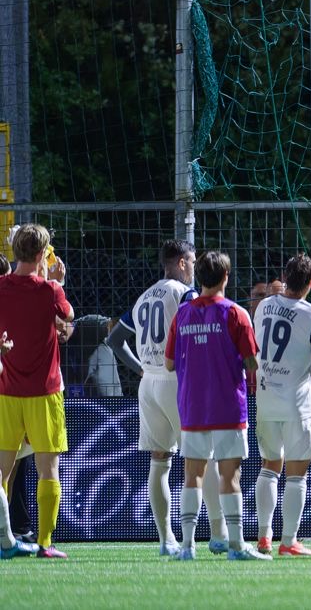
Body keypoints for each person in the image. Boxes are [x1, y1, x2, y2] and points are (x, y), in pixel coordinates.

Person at [164, 249, 267, 561]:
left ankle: (187, 547)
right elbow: (251, 362)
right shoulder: (236, 313)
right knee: (229, 476)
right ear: (226, 277)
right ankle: (235, 545)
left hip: (193, 405)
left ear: (199, 277)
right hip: (227, 406)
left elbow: (169, 364)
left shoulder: (182, 314)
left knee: (192, 475)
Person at [107, 238, 207, 556]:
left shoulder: (145, 296)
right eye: (192, 261)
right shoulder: (184, 293)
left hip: (148, 383)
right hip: (176, 381)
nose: (195, 267)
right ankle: (212, 535)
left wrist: (139, 369)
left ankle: (166, 540)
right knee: (199, 459)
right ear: (181, 262)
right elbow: (196, 334)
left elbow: (115, 340)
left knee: (159, 460)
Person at [0, 225, 71, 559]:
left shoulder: (1, 287)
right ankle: (44, 543)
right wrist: (55, 278)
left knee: (2, 472)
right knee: (49, 470)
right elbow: (68, 316)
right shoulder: (50, 290)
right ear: (43, 254)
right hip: (45, 392)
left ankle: (4, 540)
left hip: (7, 390)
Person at [252, 254, 311, 557]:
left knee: (269, 465)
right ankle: (288, 540)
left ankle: (264, 537)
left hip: (266, 399)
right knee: (296, 473)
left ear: (284, 276)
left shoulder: (264, 306)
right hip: (297, 403)